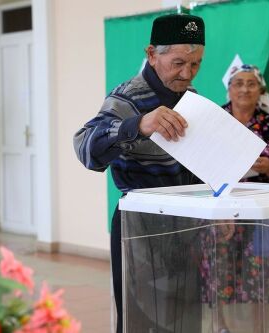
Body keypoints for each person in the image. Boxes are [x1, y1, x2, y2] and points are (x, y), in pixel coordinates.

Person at [73, 13, 208, 333]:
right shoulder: (127, 98)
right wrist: (137, 125)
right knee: (144, 320)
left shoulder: (193, 98)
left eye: (196, 64)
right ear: (152, 54)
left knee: (188, 318)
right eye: (178, 63)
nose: (187, 73)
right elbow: (85, 149)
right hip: (142, 227)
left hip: (187, 227)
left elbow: (196, 165)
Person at [199, 64, 269, 333]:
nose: (244, 89)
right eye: (238, 83)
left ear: (261, 90)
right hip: (220, 208)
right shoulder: (214, 121)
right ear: (228, 88)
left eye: (251, 83)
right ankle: (221, 327)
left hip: (257, 212)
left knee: (259, 272)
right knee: (218, 267)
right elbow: (198, 163)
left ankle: (259, 327)